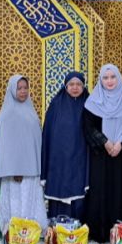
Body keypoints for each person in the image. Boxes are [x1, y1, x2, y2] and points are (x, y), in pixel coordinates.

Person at [0, 75, 48, 237]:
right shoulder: (7, 114)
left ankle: (33, 233)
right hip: (15, 174)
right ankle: (16, 235)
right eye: (19, 88)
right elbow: (7, 146)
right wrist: (15, 169)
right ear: (12, 90)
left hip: (32, 171)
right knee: (16, 202)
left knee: (31, 200)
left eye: (25, 88)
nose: (23, 92)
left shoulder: (30, 110)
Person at [82, 64, 122, 242]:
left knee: (118, 190)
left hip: (120, 153)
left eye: (113, 77)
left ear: (118, 78)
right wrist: (105, 142)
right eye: (105, 78)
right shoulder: (93, 101)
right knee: (98, 190)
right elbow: (88, 127)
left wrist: (120, 142)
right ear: (100, 80)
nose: (109, 81)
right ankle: (98, 232)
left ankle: (116, 233)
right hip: (99, 154)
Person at [41, 71, 90, 219]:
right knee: (59, 188)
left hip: (80, 156)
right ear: (66, 86)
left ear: (83, 86)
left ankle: (78, 229)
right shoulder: (56, 105)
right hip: (59, 158)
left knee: (79, 190)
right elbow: (48, 134)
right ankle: (57, 229)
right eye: (71, 84)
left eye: (79, 84)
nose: (75, 88)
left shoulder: (90, 104)